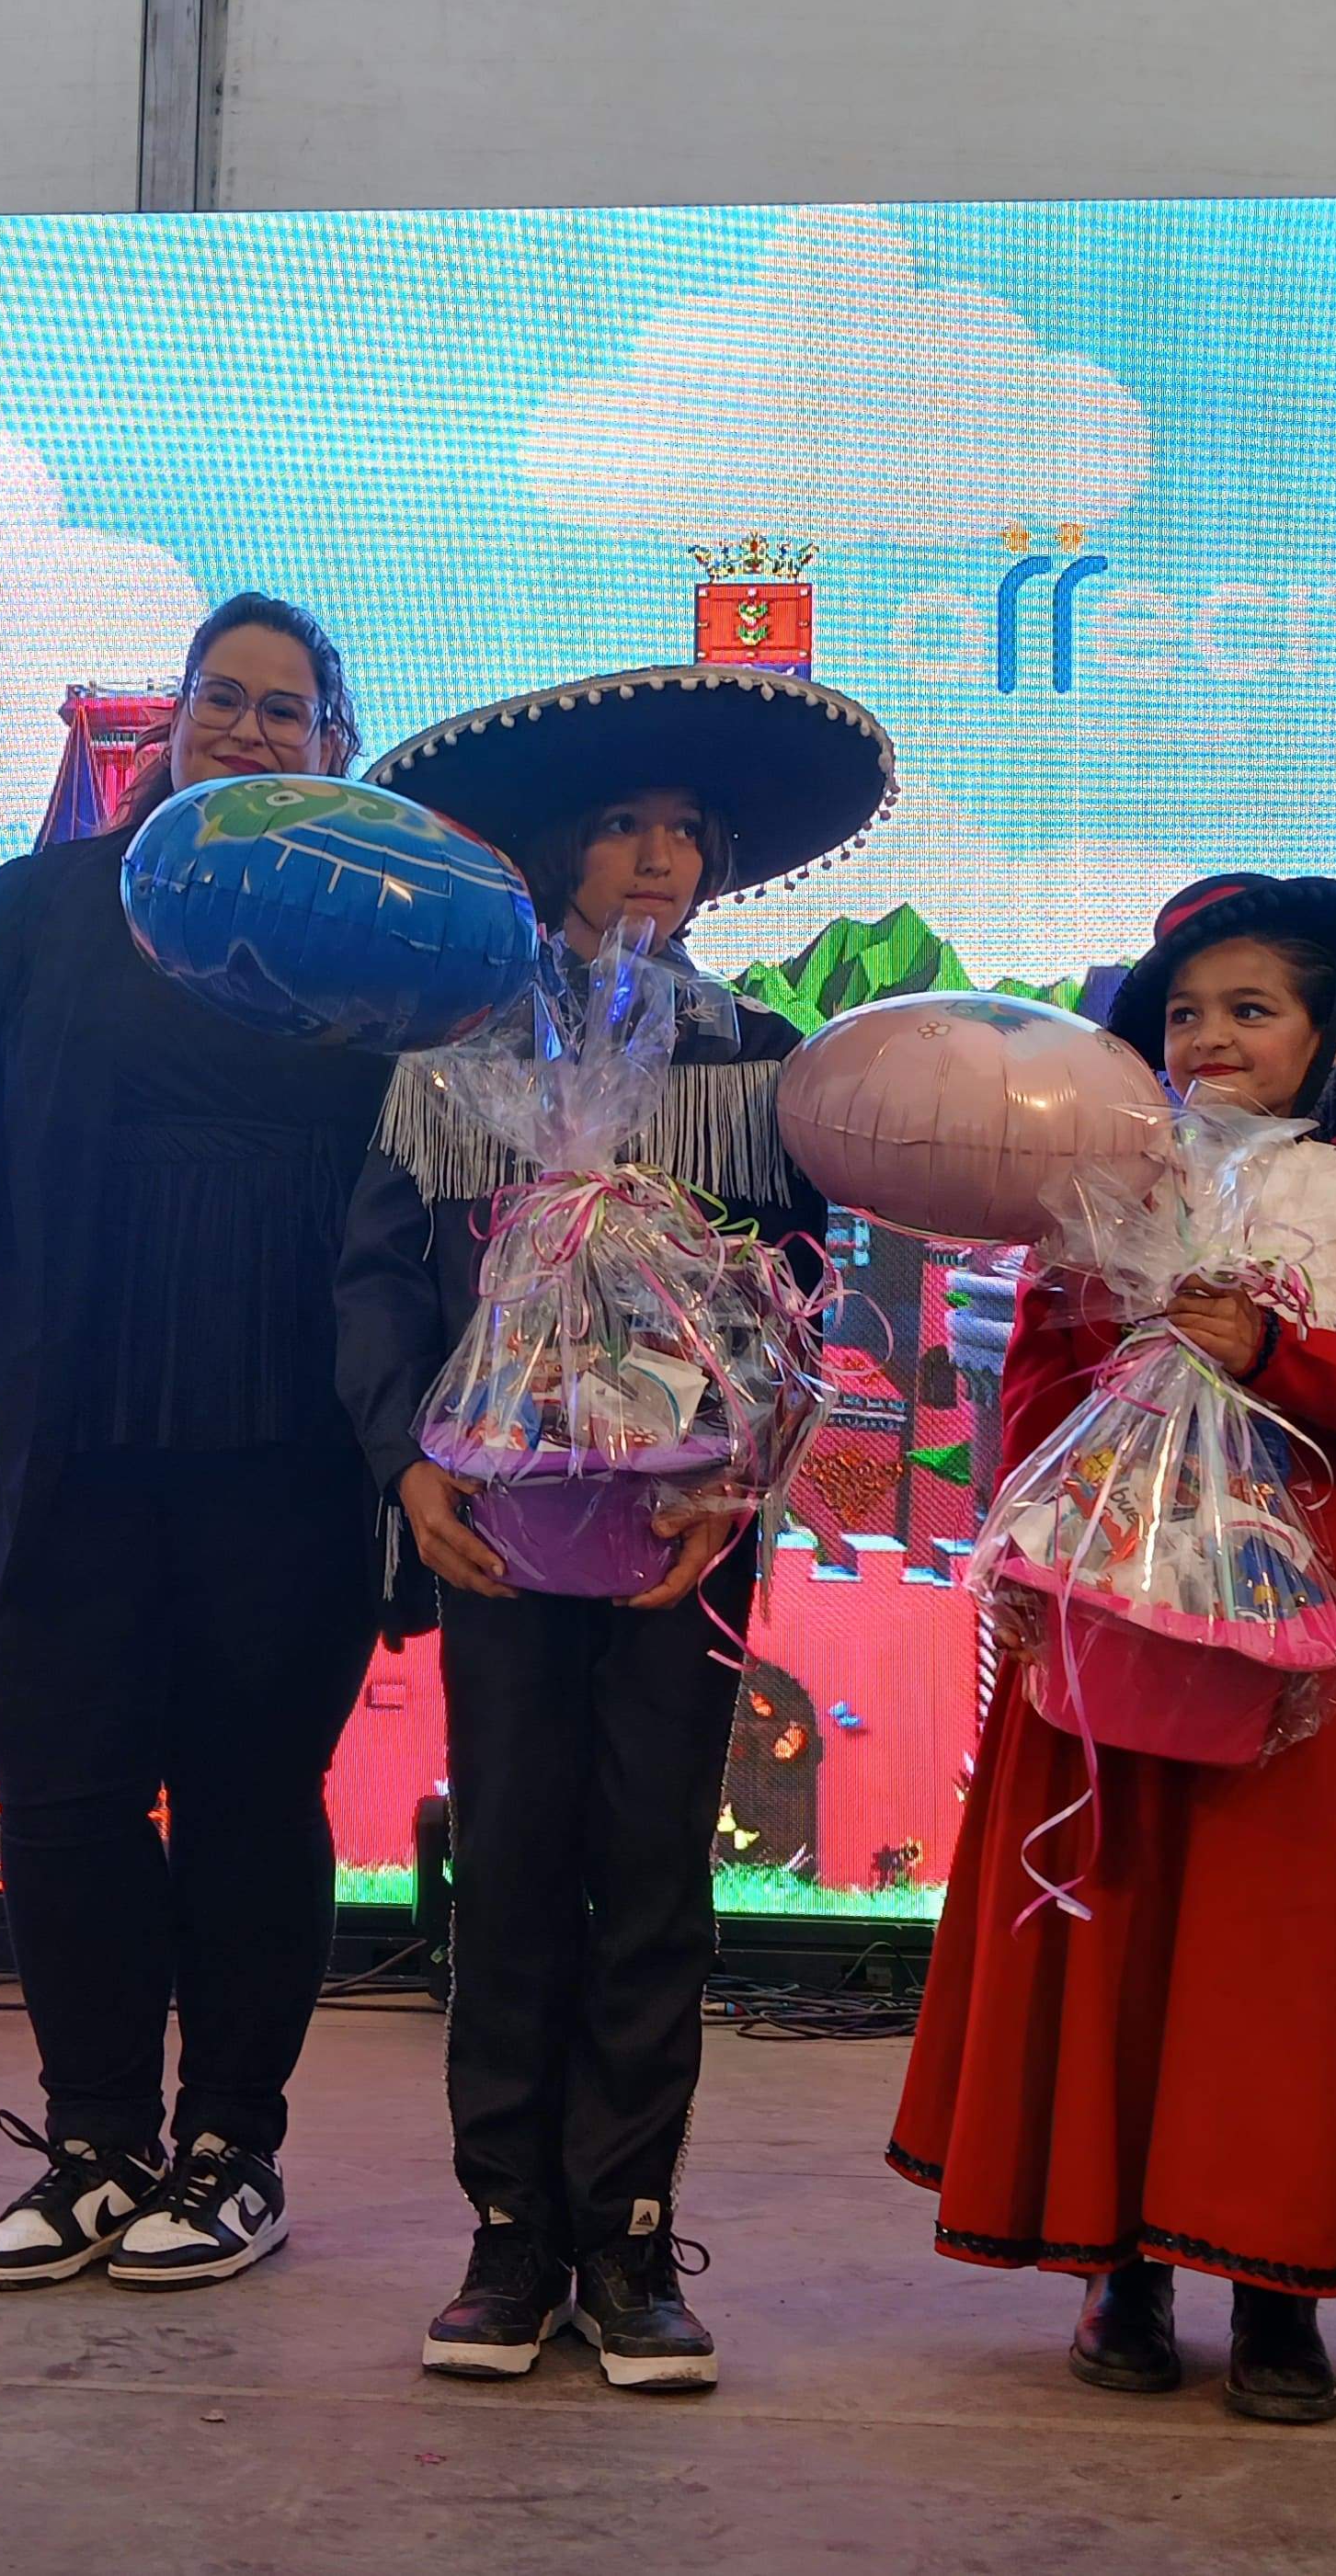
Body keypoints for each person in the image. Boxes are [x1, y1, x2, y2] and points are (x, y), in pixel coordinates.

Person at [890, 872, 1336, 2426]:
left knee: (1279, 1951)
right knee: (1115, 1908)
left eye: (1254, 1009)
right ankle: (1122, 2266)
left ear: (1331, 1033)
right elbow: (1035, 1388)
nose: (1214, 1039)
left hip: (1311, 1600)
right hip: (1112, 1584)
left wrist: (1277, 1350)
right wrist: (1046, 1533)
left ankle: (1279, 2292)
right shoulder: (1093, 1193)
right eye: (1187, 1013)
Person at [337, 666, 890, 2392]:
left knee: (655, 1871)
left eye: (684, 831)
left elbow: (801, 1304)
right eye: (621, 826)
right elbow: (374, 1288)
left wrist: (742, 1487)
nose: (655, 856)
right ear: (554, 850)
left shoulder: (762, 1068)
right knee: (508, 1865)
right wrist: (406, 1467)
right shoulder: (449, 1064)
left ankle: (633, 2240)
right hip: (502, 1534)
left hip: (682, 1547)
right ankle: (508, 2239)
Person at [0, 591, 390, 2291]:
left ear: (336, 741)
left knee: (256, 1793)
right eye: (220, 701)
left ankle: (233, 2151)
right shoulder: (39, 911)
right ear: (171, 722)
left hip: (290, 1442)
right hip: (60, 1422)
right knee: (67, 1792)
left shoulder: (378, 935)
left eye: (286, 711)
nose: (248, 732)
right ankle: (95, 2140)